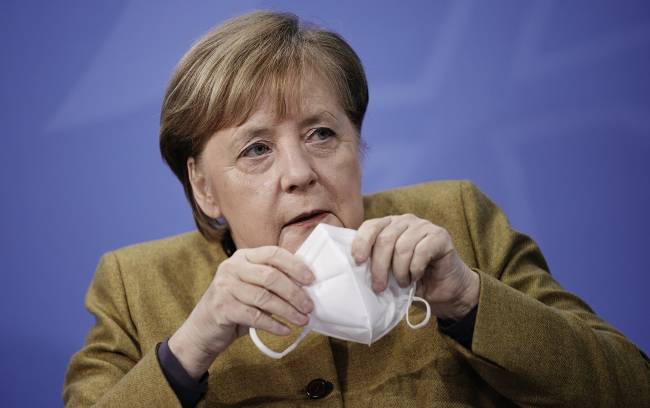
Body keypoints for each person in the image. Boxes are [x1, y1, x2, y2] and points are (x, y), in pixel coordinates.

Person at [63, 11, 650, 407]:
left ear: (357, 144)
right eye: (257, 149)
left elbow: (631, 388)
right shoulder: (135, 287)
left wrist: (469, 301)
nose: (299, 173)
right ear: (204, 187)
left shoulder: (458, 221)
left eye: (321, 133)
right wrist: (188, 351)